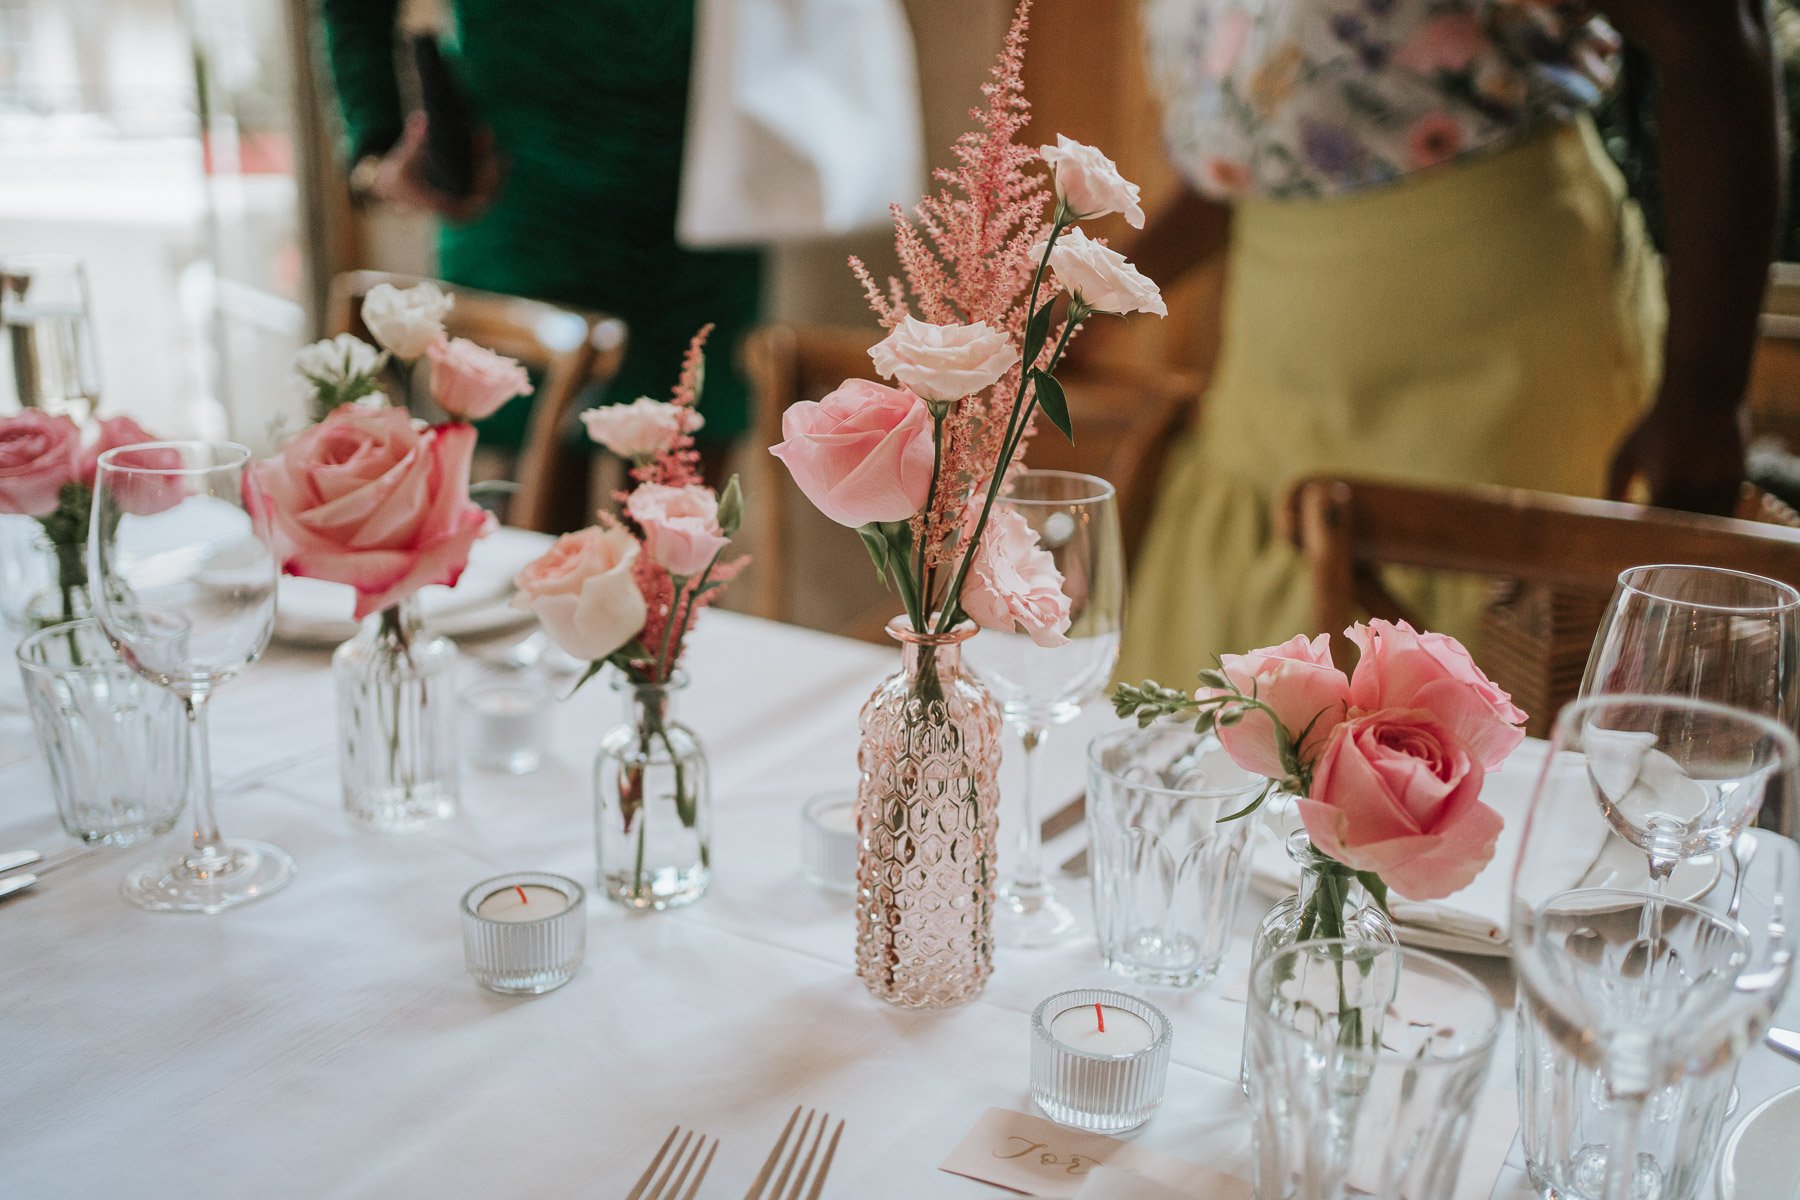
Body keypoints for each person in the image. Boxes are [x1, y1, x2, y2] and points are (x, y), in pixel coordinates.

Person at [1117, 0, 1782, 683]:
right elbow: (1263, 147)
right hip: (1272, 394)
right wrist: (1089, 292)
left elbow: (1713, 38)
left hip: (1502, 390)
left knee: (1492, 739)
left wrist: (1706, 392)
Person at [318, 1, 762, 495]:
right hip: (521, 190)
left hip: (702, 184)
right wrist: (376, 145)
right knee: (530, 519)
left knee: (678, 517)